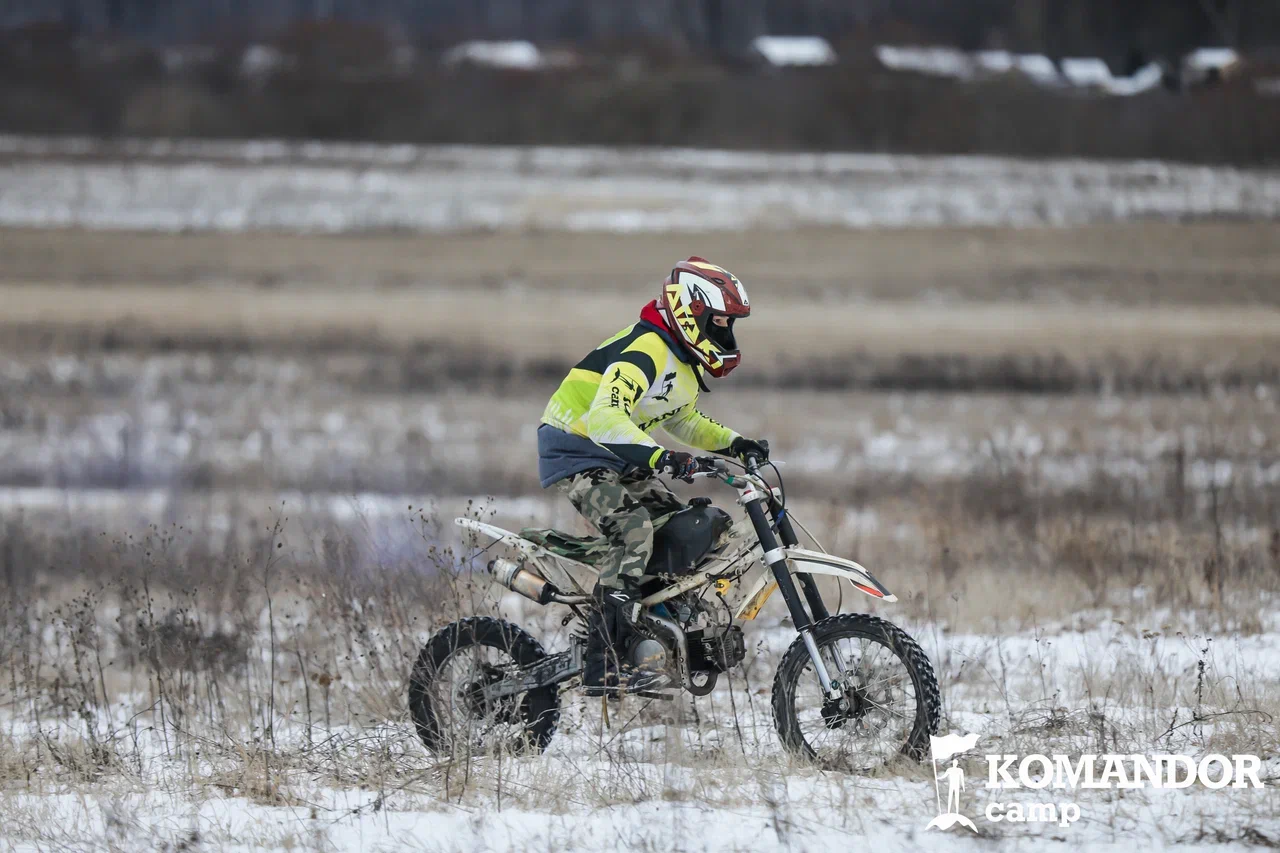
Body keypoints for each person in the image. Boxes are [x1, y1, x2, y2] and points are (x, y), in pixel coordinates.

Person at [537, 257, 770, 694]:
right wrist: (664, 459)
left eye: (728, 325)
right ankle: (604, 658)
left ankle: (653, 632)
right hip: (577, 447)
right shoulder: (647, 350)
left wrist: (737, 444)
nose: (725, 334)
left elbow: (683, 421)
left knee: (688, 530)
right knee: (635, 529)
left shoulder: (681, 364)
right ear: (690, 312)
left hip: (617, 455)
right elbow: (606, 417)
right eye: (718, 323)